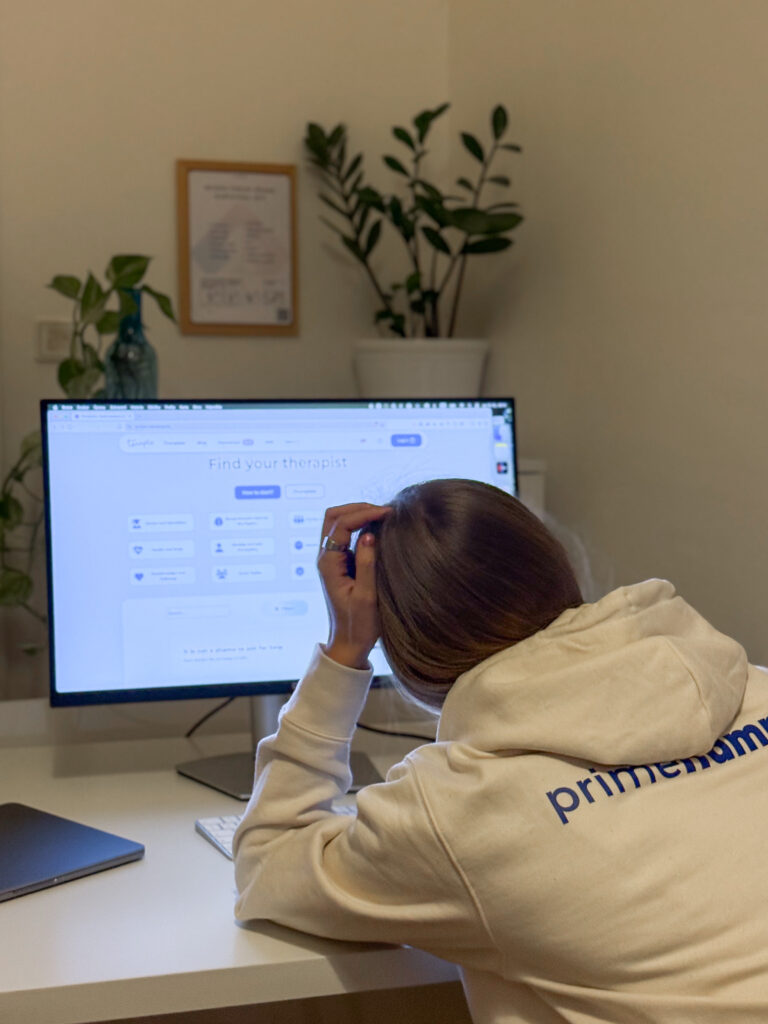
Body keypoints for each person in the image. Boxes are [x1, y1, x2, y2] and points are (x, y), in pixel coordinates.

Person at [233, 478, 768, 1024]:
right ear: (557, 569)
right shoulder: (752, 685)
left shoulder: (452, 812)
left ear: (409, 654)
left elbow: (267, 866)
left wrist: (345, 649)